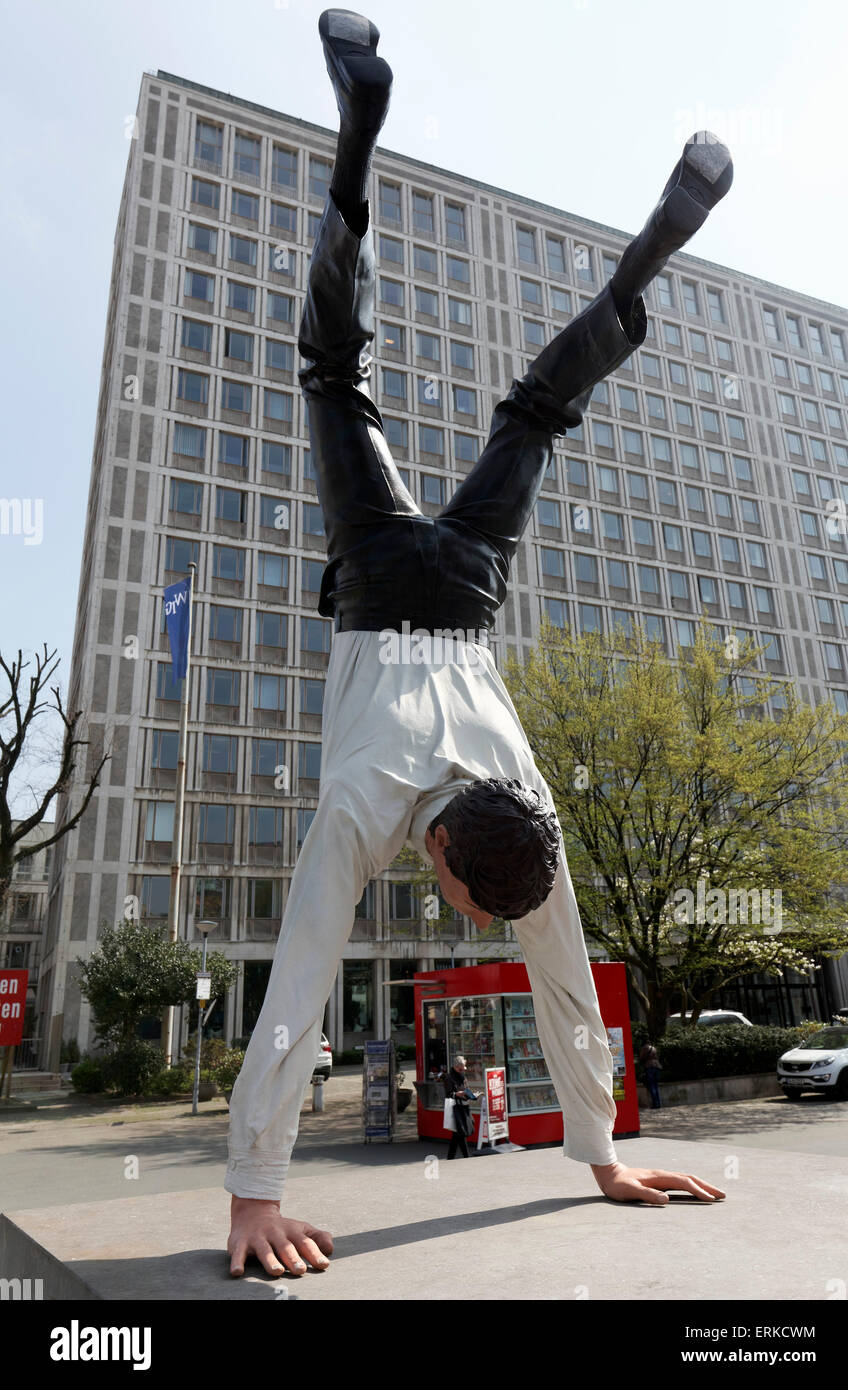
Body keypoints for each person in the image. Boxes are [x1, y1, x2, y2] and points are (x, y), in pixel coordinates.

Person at [226, 8, 730, 1279]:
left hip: (464, 588)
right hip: (392, 587)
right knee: (333, 378)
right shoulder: (367, 805)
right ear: (446, 848)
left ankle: (646, 249)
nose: (459, 917)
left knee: (535, 412)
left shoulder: (530, 816)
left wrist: (605, 1151)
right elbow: (301, 985)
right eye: (459, 897)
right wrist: (252, 1194)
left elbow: (553, 978)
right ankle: (359, 141)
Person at [443, 1055, 476, 1159]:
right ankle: (466, 1155)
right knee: (460, 1131)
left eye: (463, 1068)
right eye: (461, 1068)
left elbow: (466, 1088)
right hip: (455, 1107)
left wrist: (471, 1095)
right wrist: (457, 1094)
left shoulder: (462, 1076)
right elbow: (448, 1094)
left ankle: (451, 1156)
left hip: (464, 1106)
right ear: (456, 1067)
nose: (463, 1070)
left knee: (458, 1133)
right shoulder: (449, 1077)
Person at [640, 1041, 663, 1109]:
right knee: (656, 1086)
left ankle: (655, 1104)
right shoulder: (654, 1048)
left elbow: (641, 1057)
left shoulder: (645, 1048)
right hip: (657, 1066)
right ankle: (658, 1104)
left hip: (649, 1066)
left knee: (652, 1086)